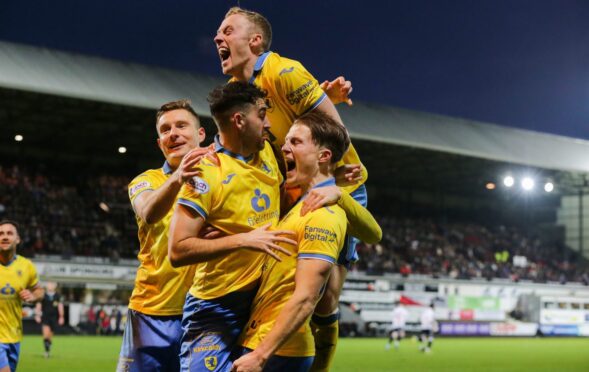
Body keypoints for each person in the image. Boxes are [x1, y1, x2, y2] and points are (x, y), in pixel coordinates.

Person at [214, 8, 368, 369]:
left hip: (334, 184)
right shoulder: (238, 93)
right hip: (290, 191)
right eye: (217, 33)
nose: (218, 38)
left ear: (255, 41)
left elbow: (338, 134)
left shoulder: (285, 72)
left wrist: (333, 184)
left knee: (325, 298)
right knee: (276, 281)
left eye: (227, 31)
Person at [233, 111, 381, 372]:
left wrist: (260, 355)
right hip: (262, 341)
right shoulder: (295, 204)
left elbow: (306, 297)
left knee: (328, 302)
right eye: (286, 141)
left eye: (295, 142)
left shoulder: (324, 213)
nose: (284, 148)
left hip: (279, 352)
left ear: (323, 156)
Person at [168, 82, 296, 372]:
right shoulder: (205, 171)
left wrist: (335, 187)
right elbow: (177, 249)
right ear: (239, 120)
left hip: (262, 300)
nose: (268, 123)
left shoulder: (266, 154)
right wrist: (244, 240)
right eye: (262, 114)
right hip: (216, 307)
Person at [117, 99, 209, 372]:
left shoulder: (224, 178)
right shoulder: (146, 181)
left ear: (201, 134)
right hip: (151, 313)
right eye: (166, 129)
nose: (174, 133)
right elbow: (147, 211)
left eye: (182, 125)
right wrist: (178, 176)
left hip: (205, 314)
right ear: (160, 143)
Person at [0, 220, 44, 372]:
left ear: (17, 239)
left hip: (14, 336)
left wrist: (32, 296)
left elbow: (40, 291)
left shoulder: (26, 266)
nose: (4, 237)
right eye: (1, 234)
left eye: (9, 233)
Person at [35, 282, 64, 358]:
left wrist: (61, 317)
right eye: (49, 284)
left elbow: (60, 306)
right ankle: (46, 351)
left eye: (52, 284)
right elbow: (39, 305)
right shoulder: (43, 295)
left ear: (55, 286)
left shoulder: (57, 296)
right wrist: (37, 315)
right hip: (45, 317)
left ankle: (48, 349)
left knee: (50, 336)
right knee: (45, 335)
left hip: (54, 318)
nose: (50, 286)